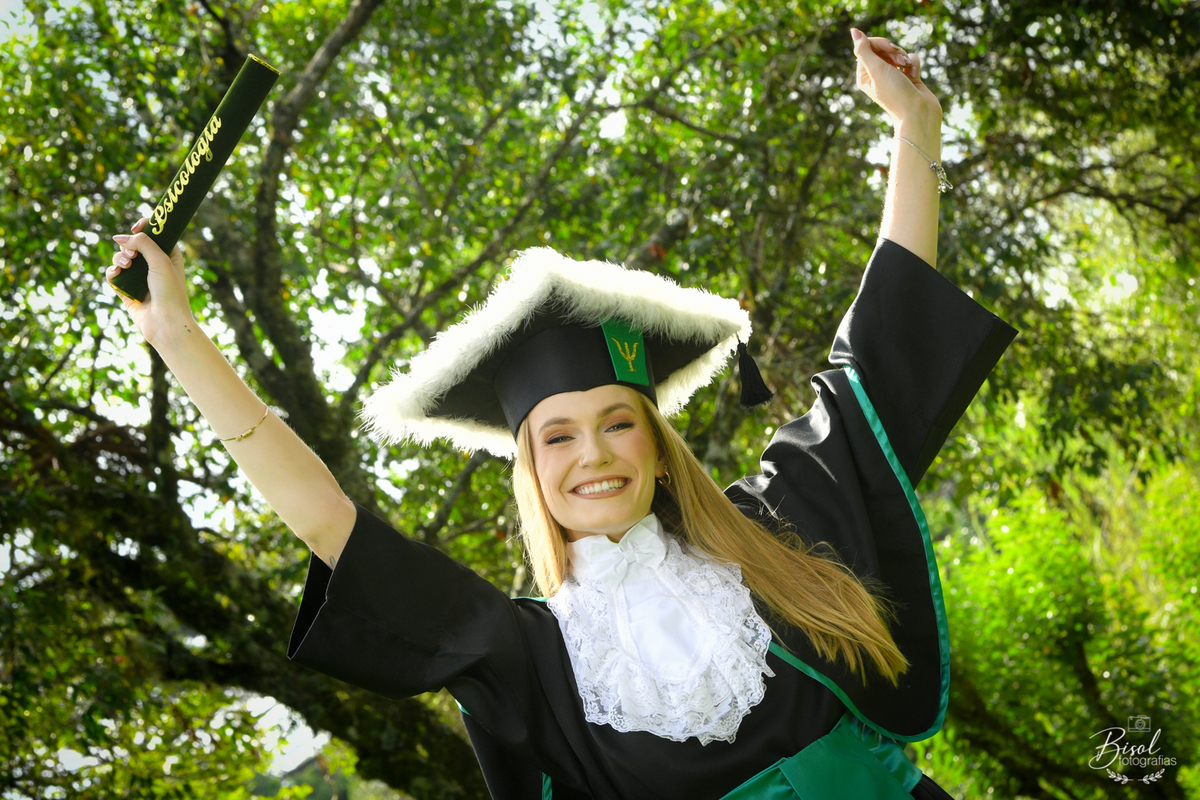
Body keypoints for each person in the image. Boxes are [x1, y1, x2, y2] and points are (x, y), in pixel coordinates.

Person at [106, 29, 1016, 800]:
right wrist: (180, 339)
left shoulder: (774, 531)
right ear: (531, 469)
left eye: (618, 422)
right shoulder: (530, 655)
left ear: (658, 447)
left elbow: (880, 351)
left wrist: (914, 130)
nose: (595, 454)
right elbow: (329, 523)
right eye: (558, 435)